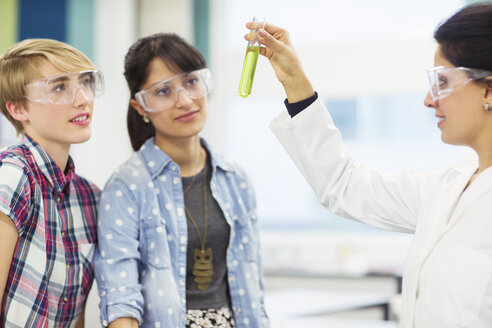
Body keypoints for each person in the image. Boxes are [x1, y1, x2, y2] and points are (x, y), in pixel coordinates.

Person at [249, 2, 492, 328]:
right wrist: (295, 81)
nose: (428, 99)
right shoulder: (450, 185)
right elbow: (345, 185)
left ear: (488, 90)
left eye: (443, 82)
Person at [94, 33, 268, 328]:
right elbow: (120, 297)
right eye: (163, 91)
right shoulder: (126, 186)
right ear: (141, 107)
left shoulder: (235, 179)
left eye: (191, 82)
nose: (185, 100)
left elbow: (253, 285)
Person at [0, 38, 104, 327]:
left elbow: (74, 316)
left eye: (85, 82)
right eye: (59, 87)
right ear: (18, 109)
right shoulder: (12, 177)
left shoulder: (89, 197)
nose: (82, 98)